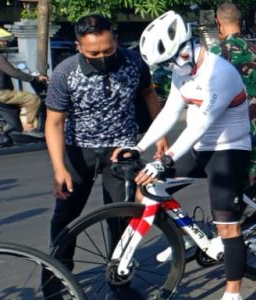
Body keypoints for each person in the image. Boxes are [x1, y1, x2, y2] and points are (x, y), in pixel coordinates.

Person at [128, 10, 252, 300]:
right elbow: (170, 114)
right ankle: (187, 237)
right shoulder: (182, 70)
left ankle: (233, 296)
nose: (168, 68)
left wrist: (165, 160)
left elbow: (199, 125)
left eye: (170, 61)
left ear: (186, 48)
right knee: (148, 186)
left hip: (228, 149)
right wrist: (138, 147)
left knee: (227, 226)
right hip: (199, 149)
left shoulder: (219, 73)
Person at [45, 14, 166, 251]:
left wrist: (160, 133)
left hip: (122, 149)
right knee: (65, 218)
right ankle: (56, 278)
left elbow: (148, 94)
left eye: (108, 51)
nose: (102, 57)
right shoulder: (64, 73)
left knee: (120, 216)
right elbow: (54, 123)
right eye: (93, 54)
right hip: (79, 149)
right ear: (78, 47)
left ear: (116, 41)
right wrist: (59, 169)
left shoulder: (134, 62)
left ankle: (118, 279)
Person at [211, 3, 256, 183]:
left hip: (226, 123)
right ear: (240, 21)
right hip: (255, 119)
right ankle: (255, 206)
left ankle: (233, 206)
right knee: (254, 169)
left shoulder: (215, 54)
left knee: (228, 173)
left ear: (218, 22)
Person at [0, 28, 47, 134]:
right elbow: (13, 72)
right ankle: (30, 127)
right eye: (2, 40)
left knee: (18, 105)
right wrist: (34, 79)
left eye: (5, 40)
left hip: (1, 93)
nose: (5, 42)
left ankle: (16, 129)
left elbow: (13, 71)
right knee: (33, 99)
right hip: (1, 93)